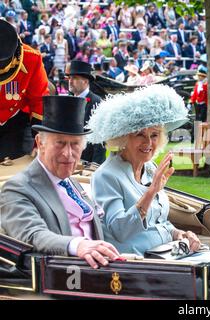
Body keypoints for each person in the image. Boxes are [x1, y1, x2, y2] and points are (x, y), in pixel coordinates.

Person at [86, 85, 210, 262]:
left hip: (168, 253)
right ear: (123, 137)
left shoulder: (149, 168)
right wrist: (151, 192)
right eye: (140, 134)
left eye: (154, 135)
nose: (148, 142)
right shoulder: (106, 176)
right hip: (140, 262)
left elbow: (158, 221)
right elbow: (120, 231)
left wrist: (179, 234)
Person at [0, 95, 120, 269]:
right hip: (62, 280)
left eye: (75, 144)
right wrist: (77, 245)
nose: (68, 154)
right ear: (40, 143)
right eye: (60, 143)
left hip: (99, 272)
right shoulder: (17, 188)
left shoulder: (72, 183)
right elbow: (33, 234)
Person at [0, 19, 49, 161]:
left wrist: (39, 141)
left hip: (14, 122)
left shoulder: (31, 59)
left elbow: (39, 102)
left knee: (15, 165)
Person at [67, 60, 106, 165]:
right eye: (69, 78)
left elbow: (99, 138)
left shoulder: (96, 102)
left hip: (87, 161)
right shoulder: (68, 100)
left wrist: (95, 165)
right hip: (68, 157)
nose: (70, 81)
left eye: (74, 78)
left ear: (85, 81)